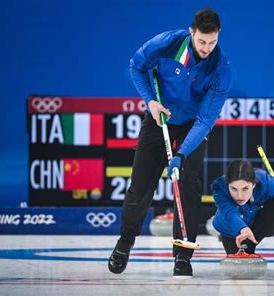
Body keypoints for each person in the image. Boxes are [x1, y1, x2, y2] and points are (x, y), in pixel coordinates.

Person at [108, 8, 232, 278]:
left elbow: (205, 120)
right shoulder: (167, 43)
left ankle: (182, 256)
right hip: (158, 117)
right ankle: (125, 243)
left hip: (192, 127)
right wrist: (150, 102)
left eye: (212, 42)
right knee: (140, 186)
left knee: (187, 185)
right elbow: (136, 66)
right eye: (202, 41)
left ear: (218, 36)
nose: (207, 48)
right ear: (192, 32)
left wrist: (182, 154)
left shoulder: (221, 70)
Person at [211, 160, 274, 269]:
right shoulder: (219, 187)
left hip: (261, 224)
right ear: (227, 185)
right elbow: (229, 213)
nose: (239, 195)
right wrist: (243, 229)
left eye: (245, 188)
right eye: (233, 189)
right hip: (230, 228)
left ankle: (249, 244)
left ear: (254, 184)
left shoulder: (268, 183)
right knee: (239, 268)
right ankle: (224, 234)